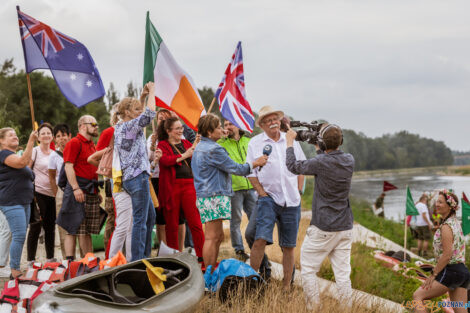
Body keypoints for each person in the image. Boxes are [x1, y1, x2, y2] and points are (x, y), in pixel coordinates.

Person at [285, 123, 354, 308]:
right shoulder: (349, 159)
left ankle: (313, 307)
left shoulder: (320, 162)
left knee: (308, 270)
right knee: (342, 275)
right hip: (345, 226)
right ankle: (347, 309)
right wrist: (318, 147)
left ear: (323, 144)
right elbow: (325, 162)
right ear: (341, 142)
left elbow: (292, 166)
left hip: (323, 226)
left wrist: (290, 142)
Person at [192, 114, 267, 270]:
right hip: (214, 196)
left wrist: (219, 136)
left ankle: (211, 268)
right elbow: (236, 168)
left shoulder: (201, 146)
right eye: (219, 127)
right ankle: (209, 273)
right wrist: (255, 163)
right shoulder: (214, 149)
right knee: (212, 237)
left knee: (217, 236)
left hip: (206, 195)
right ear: (209, 132)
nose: (223, 129)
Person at [246, 106, 306, 288]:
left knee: (288, 246)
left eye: (275, 119)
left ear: (280, 122)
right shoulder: (255, 143)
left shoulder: (292, 142)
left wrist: (299, 191)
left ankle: (287, 286)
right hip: (269, 198)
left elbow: (301, 167)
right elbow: (250, 171)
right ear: (262, 125)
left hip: (292, 200)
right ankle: (252, 282)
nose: (273, 122)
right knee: (259, 239)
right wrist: (262, 193)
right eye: (268, 120)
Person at [114, 83, 156, 261]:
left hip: (132, 178)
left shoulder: (122, 126)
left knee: (149, 216)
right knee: (141, 220)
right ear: (127, 112)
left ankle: (143, 255)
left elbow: (141, 115)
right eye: (136, 109)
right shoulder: (129, 126)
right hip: (137, 177)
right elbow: (149, 115)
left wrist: (143, 97)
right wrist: (153, 92)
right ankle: (138, 260)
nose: (139, 110)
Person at [412, 190, 469, 313]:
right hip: (462, 271)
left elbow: (447, 255)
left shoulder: (446, 227)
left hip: (451, 271)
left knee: (418, 296)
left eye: (440, 202)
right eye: (436, 201)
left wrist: (434, 274)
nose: (436, 204)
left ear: (450, 206)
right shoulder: (455, 222)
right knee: (460, 310)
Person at [157, 117, 204, 259]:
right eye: (177, 128)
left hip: (189, 185)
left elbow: (196, 157)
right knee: (171, 224)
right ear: (168, 131)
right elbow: (165, 161)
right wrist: (185, 154)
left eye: (181, 128)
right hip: (172, 187)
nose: (180, 131)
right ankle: (175, 257)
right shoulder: (162, 145)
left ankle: (202, 256)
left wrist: (197, 145)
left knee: (195, 222)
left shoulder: (186, 142)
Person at [57, 115, 101, 260]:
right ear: (82, 125)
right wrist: (76, 188)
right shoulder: (74, 142)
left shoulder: (91, 144)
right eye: (93, 123)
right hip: (79, 189)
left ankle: (89, 262)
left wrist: (96, 191)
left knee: (86, 231)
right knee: (74, 229)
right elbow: (68, 166)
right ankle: (73, 263)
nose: (96, 126)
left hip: (90, 189)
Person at [0, 128, 37, 278]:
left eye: (16, 134)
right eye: (10, 135)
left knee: (19, 235)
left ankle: (13, 267)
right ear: (1, 141)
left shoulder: (14, 156)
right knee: (19, 234)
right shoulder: (4, 154)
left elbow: (27, 170)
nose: (15, 136)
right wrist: (31, 141)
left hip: (24, 201)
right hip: (11, 201)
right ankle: (14, 270)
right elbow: (22, 162)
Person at [217, 120, 256, 261]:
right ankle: (239, 250)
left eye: (230, 124)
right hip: (233, 188)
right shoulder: (221, 143)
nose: (227, 127)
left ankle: (256, 248)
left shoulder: (249, 141)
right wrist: (220, 137)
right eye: (225, 124)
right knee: (235, 221)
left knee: (255, 219)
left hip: (252, 186)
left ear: (239, 125)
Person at [147, 109, 185, 249]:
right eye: (159, 118)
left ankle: (179, 248)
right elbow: (148, 158)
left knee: (179, 217)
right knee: (161, 216)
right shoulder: (152, 136)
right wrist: (152, 146)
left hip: (175, 177)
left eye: (165, 118)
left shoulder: (178, 136)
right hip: (157, 178)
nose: (161, 120)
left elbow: (185, 152)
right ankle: (164, 248)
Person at [27, 123, 56, 262]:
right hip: (37, 193)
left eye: (48, 133)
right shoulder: (35, 151)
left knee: (50, 227)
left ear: (52, 136)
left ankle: (50, 258)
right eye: (43, 133)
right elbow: (27, 169)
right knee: (35, 226)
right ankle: (31, 260)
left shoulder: (55, 154)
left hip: (52, 194)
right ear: (38, 136)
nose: (46, 135)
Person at [48, 123, 72, 259]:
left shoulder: (75, 149)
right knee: (63, 227)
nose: (61, 138)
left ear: (69, 136)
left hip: (76, 189)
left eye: (64, 135)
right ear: (55, 139)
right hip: (61, 192)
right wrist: (57, 193)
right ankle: (66, 259)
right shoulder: (54, 156)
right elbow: (51, 177)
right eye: (58, 136)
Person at [415, 194, 433, 258]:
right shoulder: (423, 205)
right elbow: (424, 215)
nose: (426, 201)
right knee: (426, 239)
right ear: (423, 200)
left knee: (420, 238)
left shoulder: (416, 205)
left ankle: (419, 252)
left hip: (418, 224)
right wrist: (429, 223)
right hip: (424, 224)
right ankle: (424, 253)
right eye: (426, 200)